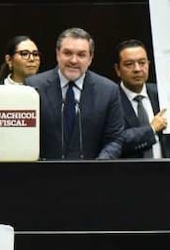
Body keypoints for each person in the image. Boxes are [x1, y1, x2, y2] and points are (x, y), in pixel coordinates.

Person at [26, 27, 125, 160]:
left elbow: (115, 139)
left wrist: (100, 165)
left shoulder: (108, 90)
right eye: (67, 53)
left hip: (91, 175)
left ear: (90, 58)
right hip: (43, 175)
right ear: (57, 54)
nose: (73, 60)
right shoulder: (32, 87)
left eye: (81, 55)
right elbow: (24, 137)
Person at [113, 39, 168, 158]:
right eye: (129, 64)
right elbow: (114, 140)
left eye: (142, 63)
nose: (137, 69)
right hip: (129, 174)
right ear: (118, 70)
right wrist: (151, 129)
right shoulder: (110, 99)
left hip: (166, 172)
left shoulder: (162, 94)